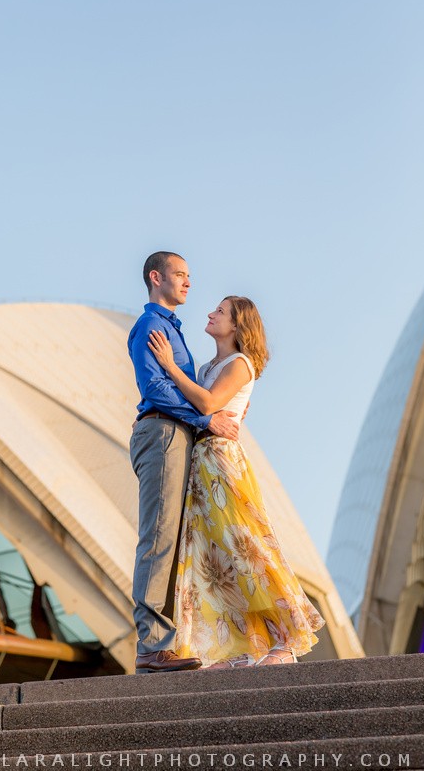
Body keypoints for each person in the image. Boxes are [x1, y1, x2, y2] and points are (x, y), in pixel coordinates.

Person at [147, 295, 325, 668]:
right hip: (202, 462)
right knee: (213, 558)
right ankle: (242, 645)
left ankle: (284, 638)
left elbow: (209, 404)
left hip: (221, 462)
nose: (211, 314)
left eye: (220, 311)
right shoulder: (211, 364)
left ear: (237, 325)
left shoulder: (240, 363)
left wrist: (169, 367)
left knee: (244, 546)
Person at [128, 252, 240, 674]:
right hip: (163, 432)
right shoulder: (151, 327)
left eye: (190, 276)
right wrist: (205, 418)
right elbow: (155, 387)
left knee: (173, 541)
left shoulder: (172, 329)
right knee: (158, 537)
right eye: (180, 275)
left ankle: (166, 642)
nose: (188, 282)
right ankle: (152, 645)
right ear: (156, 278)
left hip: (177, 435)